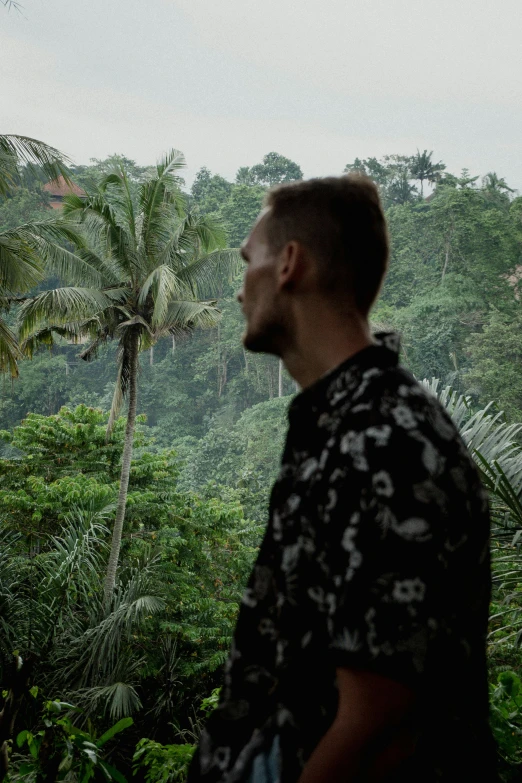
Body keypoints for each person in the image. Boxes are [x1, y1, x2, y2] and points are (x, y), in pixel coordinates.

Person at [187, 175, 497, 782]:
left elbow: (379, 729)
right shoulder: (340, 426)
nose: (238, 290)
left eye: (248, 261)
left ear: (290, 265)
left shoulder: (388, 442)